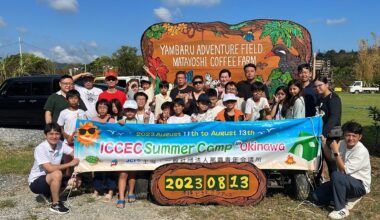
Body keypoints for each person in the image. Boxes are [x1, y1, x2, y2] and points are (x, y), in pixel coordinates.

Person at [312, 121, 371, 219]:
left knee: (336, 175)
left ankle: (341, 208)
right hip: (341, 182)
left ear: (360, 137)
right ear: (344, 135)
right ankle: (345, 198)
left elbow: (343, 170)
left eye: (354, 136)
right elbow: (331, 158)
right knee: (316, 196)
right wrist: (324, 144)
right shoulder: (342, 143)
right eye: (348, 135)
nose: (350, 138)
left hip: (359, 185)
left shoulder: (361, 151)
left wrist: (336, 152)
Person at [28, 123, 79, 214]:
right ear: (45, 135)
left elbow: (75, 153)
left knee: (76, 181)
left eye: (57, 134)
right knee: (57, 173)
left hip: (51, 178)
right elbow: (50, 168)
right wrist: (70, 164)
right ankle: (55, 204)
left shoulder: (60, 144)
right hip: (36, 182)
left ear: (60, 135)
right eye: (51, 134)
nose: (54, 137)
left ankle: (50, 194)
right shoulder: (40, 148)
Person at [314, 76, 342, 181]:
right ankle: (320, 182)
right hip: (320, 134)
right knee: (321, 160)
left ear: (326, 85)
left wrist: (324, 133)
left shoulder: (334, 98)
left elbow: (334, 117)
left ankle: (336, 184)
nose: (317, 88)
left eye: (320, 85)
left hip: (331, 135)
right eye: (315, 86)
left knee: (332, 162)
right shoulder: (320, 99)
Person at [56, 89, 87, 176]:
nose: (73, 100)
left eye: (76, 98)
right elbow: (61, 127)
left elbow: (85, 127)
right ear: (67, 100)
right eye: (71, 98)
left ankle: (78, 181)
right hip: (67, 142)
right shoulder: (63, 113)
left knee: (78, 163)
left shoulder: (82, 112)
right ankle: (67, 181)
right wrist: (67, 137)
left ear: (79, 99)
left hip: (79, 143)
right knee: (68, 163)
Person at [91, 99, 116, 202]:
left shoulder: (112, 120)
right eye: (100, 107)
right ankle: (97, 190)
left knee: (110, 170)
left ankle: (110, 191)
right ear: (97, 108)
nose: (102, 109)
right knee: (97, 170)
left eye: (104, 107)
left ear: (108, 109)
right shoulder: (93, 119)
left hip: (109, 149)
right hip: (96, 148)